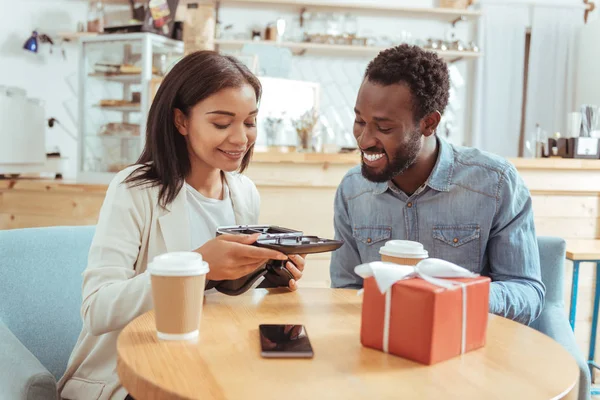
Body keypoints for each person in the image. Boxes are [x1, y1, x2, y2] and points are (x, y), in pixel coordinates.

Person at [58, 51, 305, 400]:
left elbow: (227, 303)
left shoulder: (244, 194)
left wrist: (272, 276)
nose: (240, 139)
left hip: (208, 363)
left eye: (249, 122)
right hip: (133, 375)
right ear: (181, 121)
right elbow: (97, 308)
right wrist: (196, 268)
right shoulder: (134, 189)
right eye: (222, 123)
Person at [330, 44, 545, 325]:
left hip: (466, 347)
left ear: (429, 123)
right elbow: (346, 290)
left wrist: (454, 297)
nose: (364, 139)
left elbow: (528, 293)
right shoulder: (352, 191)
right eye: (360, 120)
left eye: (384, 128)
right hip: (382, 347)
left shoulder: (495, 184)